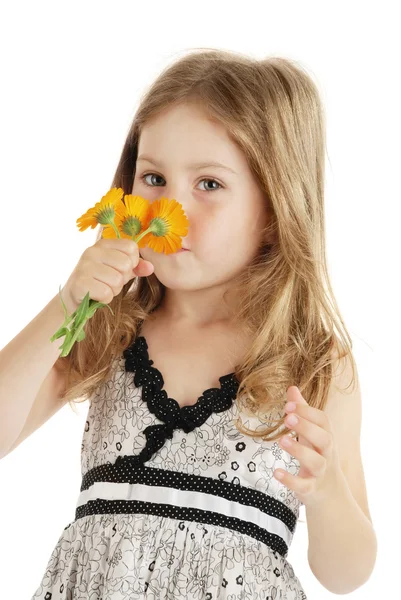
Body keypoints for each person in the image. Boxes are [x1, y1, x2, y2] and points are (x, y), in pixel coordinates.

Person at [0, 49, 370, 599]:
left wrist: (326, 490)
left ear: (274, 211)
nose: (170, 207)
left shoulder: (312, 361)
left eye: (210, 185)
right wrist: (69, 302)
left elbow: (349, 573)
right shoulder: (111, 331)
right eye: (153, 177)